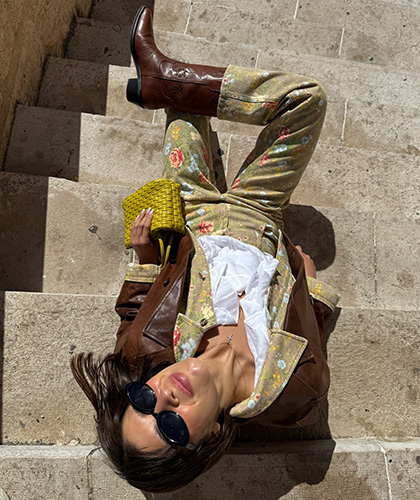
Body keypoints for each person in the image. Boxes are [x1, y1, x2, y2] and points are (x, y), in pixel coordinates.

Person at [71, 5, 339, 493]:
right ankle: (160, 80)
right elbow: (313, 341)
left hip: (194, 212)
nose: (164, 399)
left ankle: (163, 82)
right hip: (260, 213)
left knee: (186, 110)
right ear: (210, 436)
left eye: (143, 402)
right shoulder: (297, 393)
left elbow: (132, 315)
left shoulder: (143, 355)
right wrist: (314, 292)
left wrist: (144, 260)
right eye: (171, 428)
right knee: (307, 100)